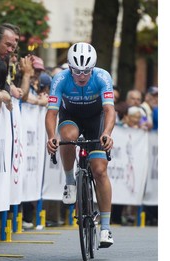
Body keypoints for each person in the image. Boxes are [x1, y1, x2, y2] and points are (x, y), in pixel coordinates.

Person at [45, 42, 115, 248]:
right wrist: (51, 136)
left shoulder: (102, 77)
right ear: (69, 67)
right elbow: (51, 113)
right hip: (71, 117)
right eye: (76, 71)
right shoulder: (60, 79)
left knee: (100, 170)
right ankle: (70, 182)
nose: (82, 76)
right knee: (67, 136)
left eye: (86, 71)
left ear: (93, 68)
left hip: (96, 120)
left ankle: (106, 228)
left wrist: (107, 133)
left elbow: (110, 110)